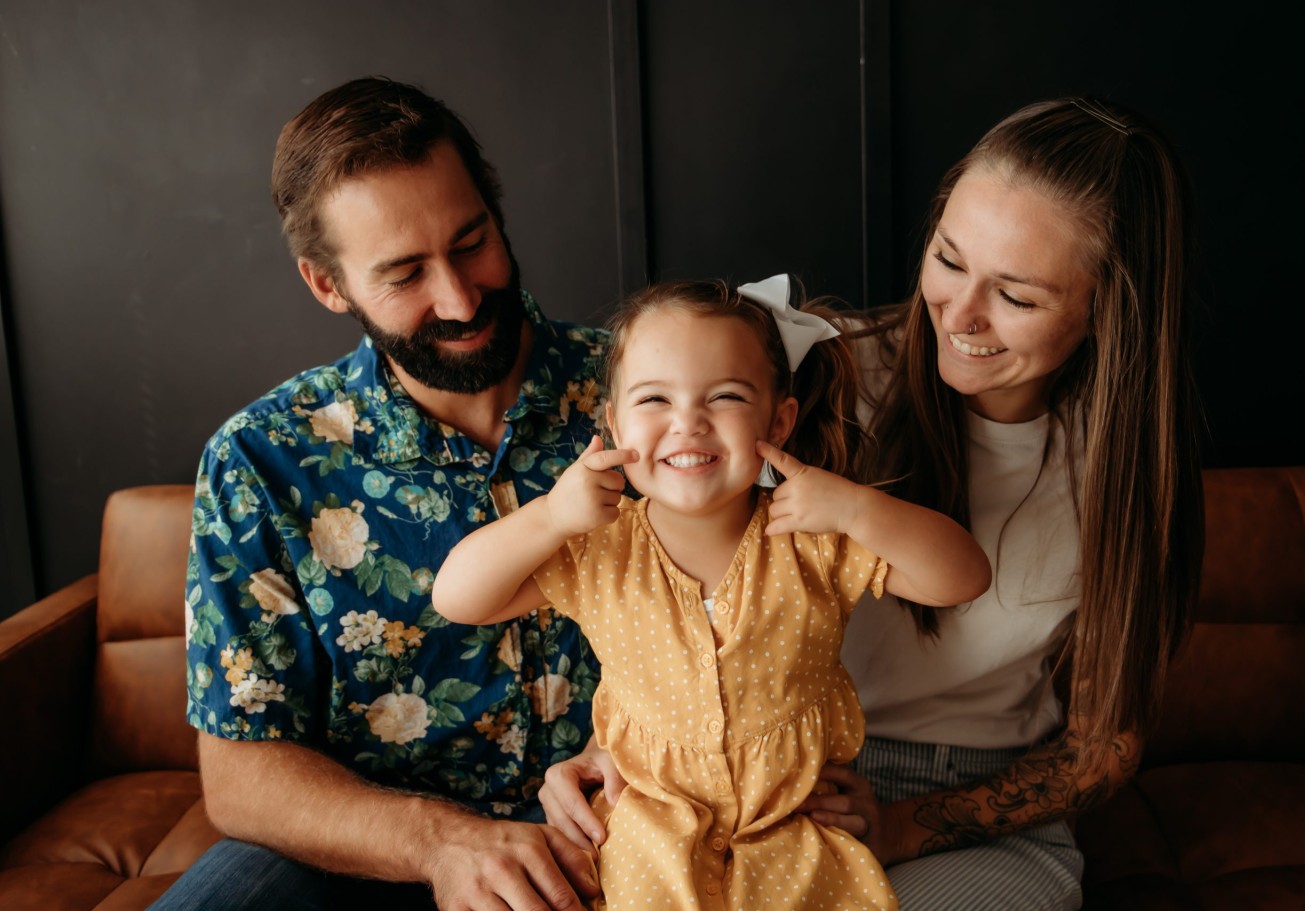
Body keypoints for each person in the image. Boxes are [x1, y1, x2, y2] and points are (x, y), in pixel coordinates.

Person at [537, 96, 1204, 911]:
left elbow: (1104, 746)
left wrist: (901, 826)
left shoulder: (1126, 477)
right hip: (780, 783)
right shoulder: (826, 378)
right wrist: (622, 750)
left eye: (1018, 297)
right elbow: (682, 566)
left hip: (973, 802)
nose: (958, 316)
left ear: (1109, 306)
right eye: (949, 259)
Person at [155, 77, 611, 911]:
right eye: (404, 274)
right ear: (329, 286)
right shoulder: (259, 459)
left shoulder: (647, 395)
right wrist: (440, 842)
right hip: (372, 853)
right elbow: (239, 776)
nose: (461, 298)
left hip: (622, 832)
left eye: (472, 241)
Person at [432, 275, 992, 910]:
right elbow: (458, 597)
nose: (688, 423)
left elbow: (963, 577)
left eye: (723, 396)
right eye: (654, 401)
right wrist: (551, 516)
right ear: (615, 425)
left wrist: (859, 510)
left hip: (793, 831)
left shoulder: (811, 535)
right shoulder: (599, 547)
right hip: (649, 835)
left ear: (778, 419)